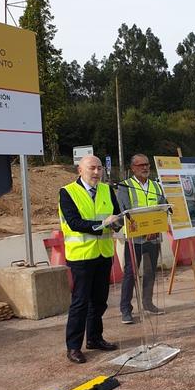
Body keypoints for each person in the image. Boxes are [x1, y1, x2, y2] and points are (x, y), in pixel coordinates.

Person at [59, 155, 122, 364]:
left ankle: (94, 338)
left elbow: (118, 215)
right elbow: (75, 223)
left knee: (99, 301)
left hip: (104, 253)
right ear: (80, 170)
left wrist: (117, 223)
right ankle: (73, 347)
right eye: (91, 168)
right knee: (80, 303)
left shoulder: (106, 190)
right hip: (82, 256)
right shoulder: (67, 192)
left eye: (99, 168)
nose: (96, 172)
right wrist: (104, 223)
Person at [118, 154, 166, 323]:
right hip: (134, 239)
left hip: (153, 238)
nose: (145, 168)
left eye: (147, 165)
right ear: (133, 168)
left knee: (150, 272)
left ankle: (148, 302)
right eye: (141, 165)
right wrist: (144, 229)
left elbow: (163, 207)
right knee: (130, 274)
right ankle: (126, 309)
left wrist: (155, 227)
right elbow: (126, 211)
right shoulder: (125, 186)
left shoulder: (156, 186)